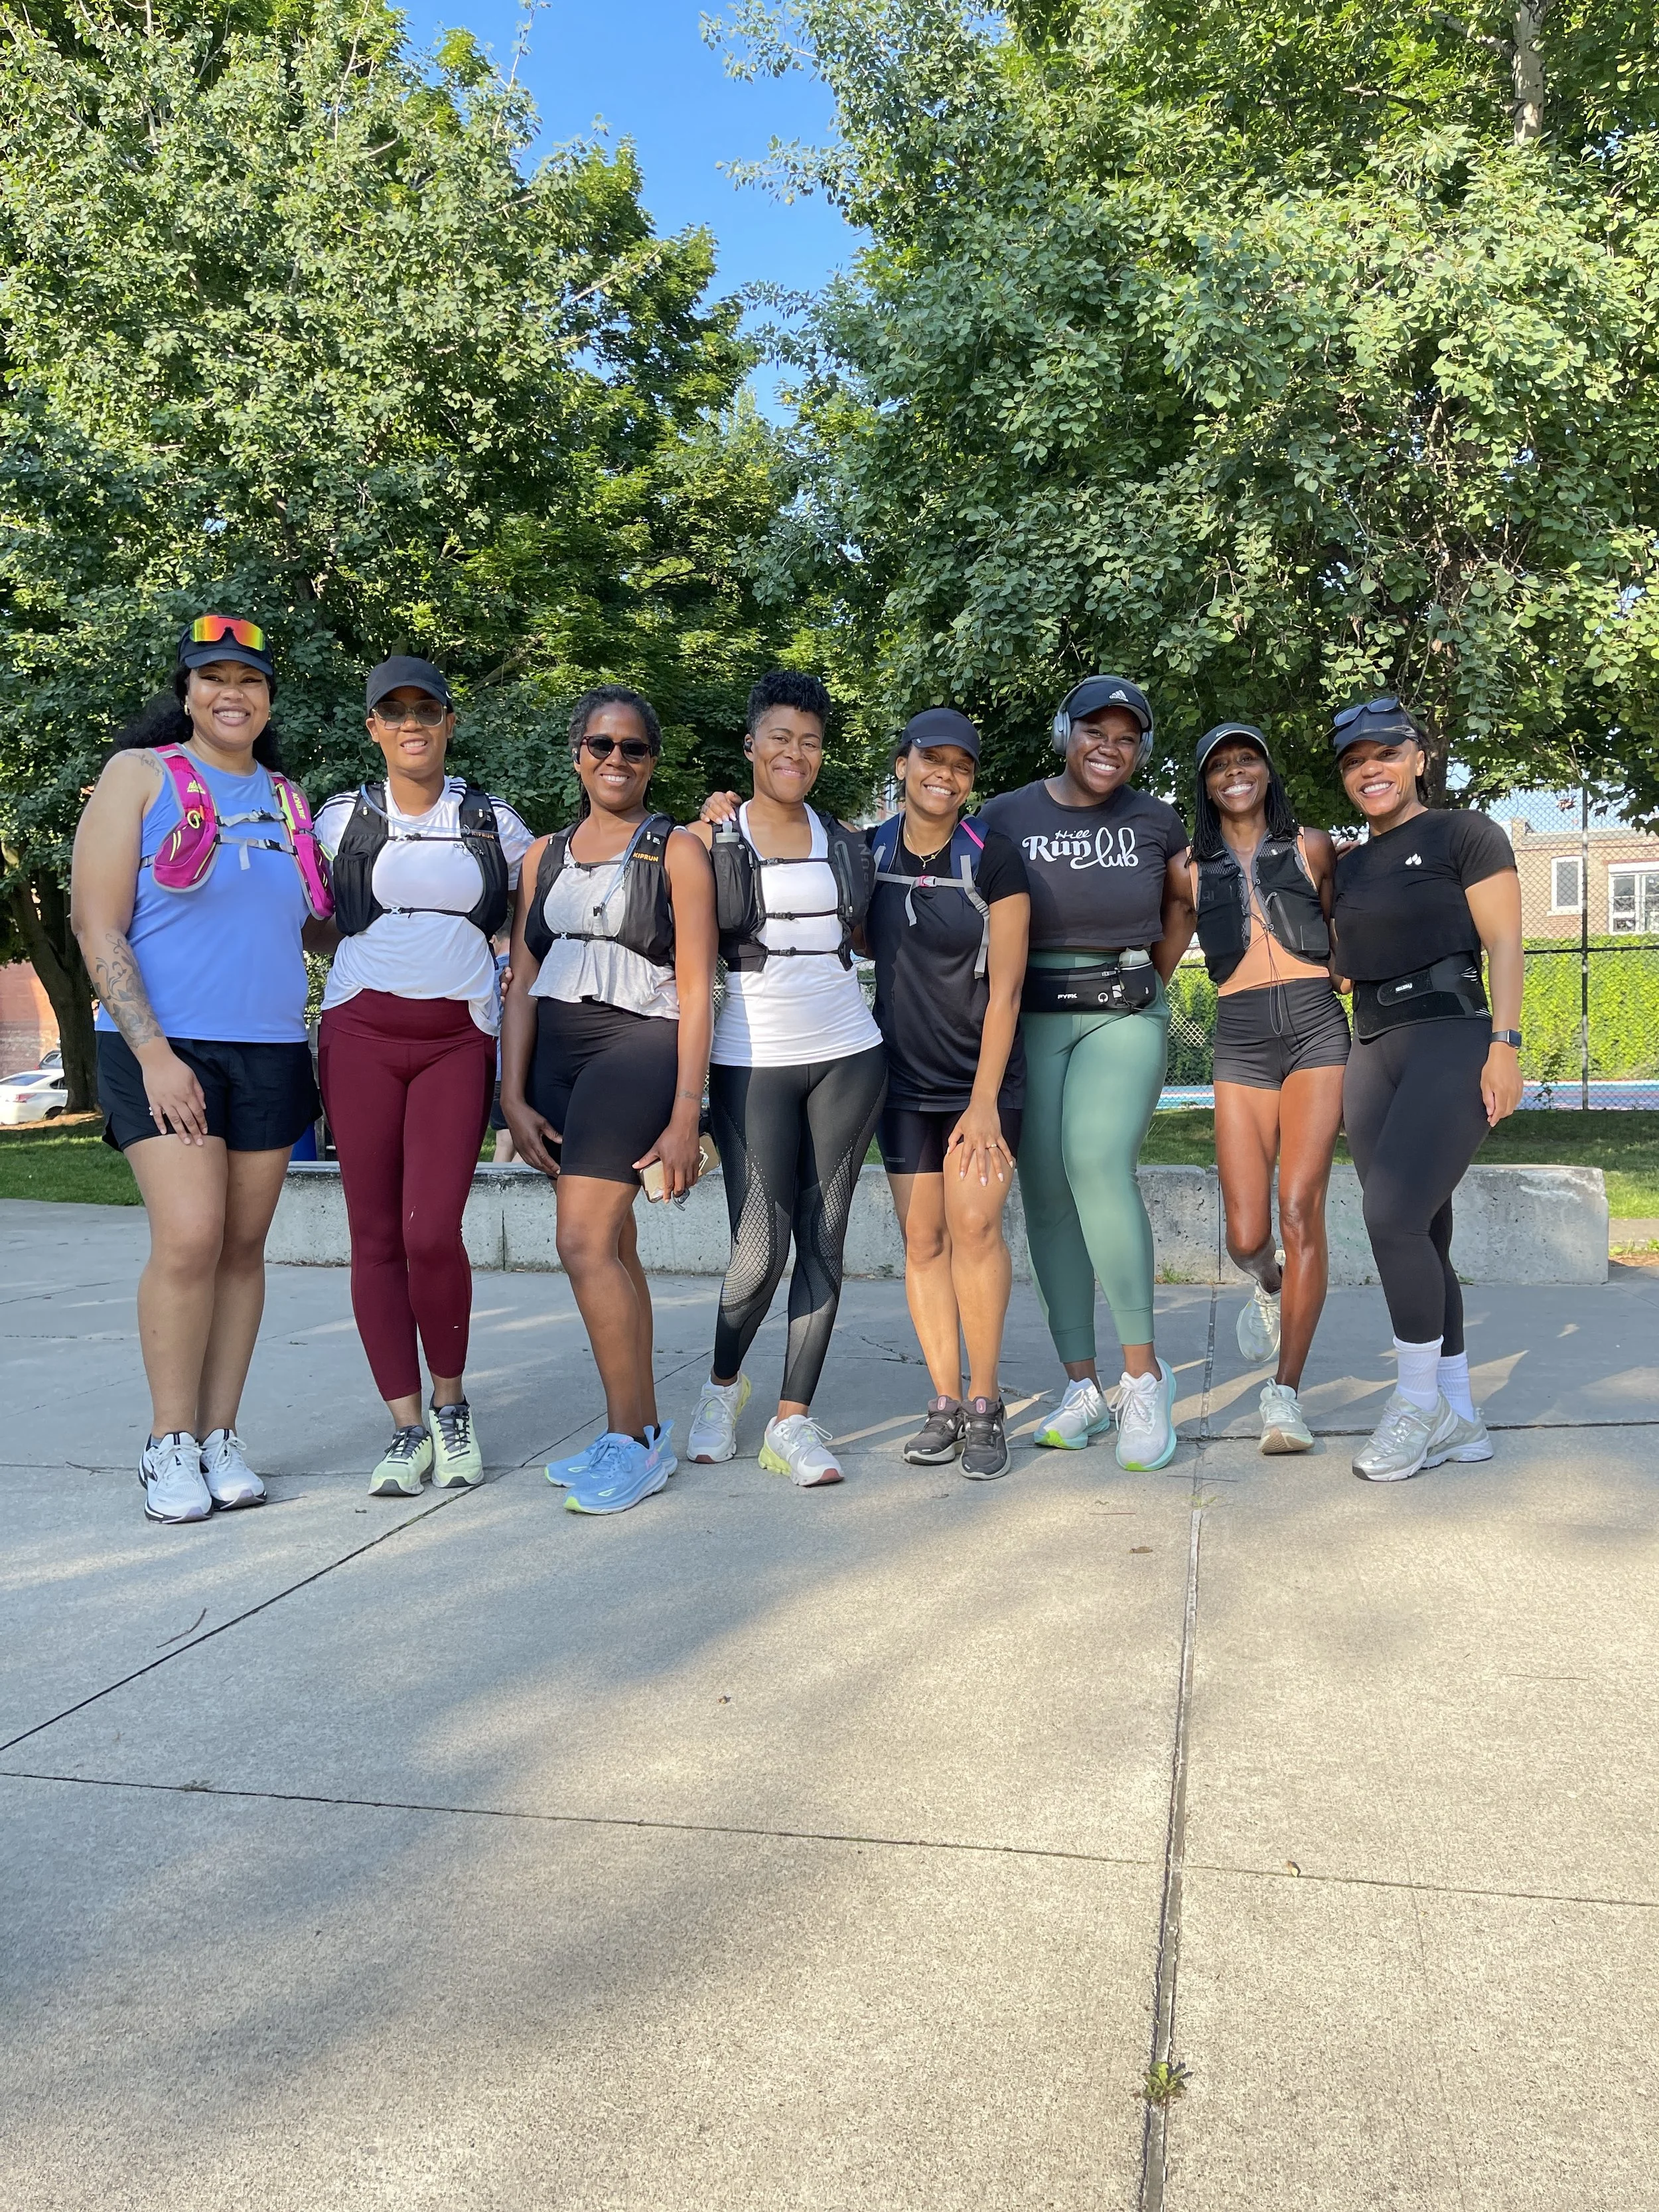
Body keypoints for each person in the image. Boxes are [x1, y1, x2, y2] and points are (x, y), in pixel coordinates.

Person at [70, 615, 329, 1524]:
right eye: (213, 678)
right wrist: (152, 1054)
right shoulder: (138, 776)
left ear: (268, 697)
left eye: (250, 680)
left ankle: (222, 1435)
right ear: (186, 692)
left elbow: (312, 926)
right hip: (164, 1047)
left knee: (242, 1248)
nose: (233, 694)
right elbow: (97, 924)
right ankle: (168, 1441)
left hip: (268, 1046)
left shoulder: (291, 800)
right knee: (189, 1238)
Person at [313, 658, 535, 1497]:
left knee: (431, 1233)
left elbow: (529, 921)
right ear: (372, 726)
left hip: (455, 1040)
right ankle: (406, 1427)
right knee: (373, 1236)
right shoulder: (337, 819)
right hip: (360, 1032)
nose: (412, 724)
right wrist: (375, 956)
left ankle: (451, 1407)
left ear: (448, 722)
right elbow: (310, 918)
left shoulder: (493, 821)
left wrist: (508, 960)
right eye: (393, 712)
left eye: (426, 711)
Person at [500, 686, 716, 1516]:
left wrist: (687, 1109)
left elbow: (699, 988)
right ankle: (639, 1428)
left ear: (651, 761)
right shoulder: (541, 857)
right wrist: (511, 1095)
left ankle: (634, 1441)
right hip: (556, 1055)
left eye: (633, 748)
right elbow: (521, 980)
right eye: (601, 745)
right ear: (577, 754)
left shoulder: (677, 851)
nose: (616, 760)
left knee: (580, 1242)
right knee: (615, 1246)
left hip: (640, 1044)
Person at [977, 675, 1196, 1471]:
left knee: (1096, 1163)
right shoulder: (1005, 815)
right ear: (1064, 732)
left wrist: (1151, 985)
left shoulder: (1154, 819)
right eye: (1095, 732)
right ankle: (1083, 1386)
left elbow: (1184, 904)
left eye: (1127, 737)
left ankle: (1143, 1378)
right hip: (1030, 1012)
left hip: (1119, 1007)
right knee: (1042, 1189)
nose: (1110, 748)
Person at [683, 670, 886, 1487]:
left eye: (808, 740)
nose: (793, 752)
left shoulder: (845, 839)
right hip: (750, 1060)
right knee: (758, 1250)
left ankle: (793, 1423)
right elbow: (691, 969)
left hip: (848, 1052)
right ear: (751, 746)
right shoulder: (708, 841)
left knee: (824, 1240)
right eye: (778, 738)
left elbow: (873, 934)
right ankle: (721, 1388)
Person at [1329, 697, 1524, 1481]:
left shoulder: (1464, 834)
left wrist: (1504, 1047)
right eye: (1351, 761)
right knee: (1424, 1233)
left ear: (1416, 758)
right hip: (1371, 1046)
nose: (1368, 770)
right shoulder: (1347, 864)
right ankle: (1461, 1417)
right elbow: (1345, 964)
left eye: (1382, 754)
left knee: (1390, 1216)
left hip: (1450, 1035)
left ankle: (1415, 1407)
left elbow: (1506, 942)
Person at [867, 709, 1030, 1478]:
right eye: (932, 758)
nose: (947, 774)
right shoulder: (864, 851)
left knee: (975, 1231)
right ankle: (943, 1402)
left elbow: (1005, 993)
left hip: (982, 1084)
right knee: (922, 1241)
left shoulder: (993, 857)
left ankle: (986, 1403)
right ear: (902, 764)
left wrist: (983, 1099)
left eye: (962, 765)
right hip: (899, 1083)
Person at [1189, 722, 1348, 1453]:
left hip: (1317, 1028)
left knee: (1297, 1208)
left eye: (1245, 758)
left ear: (1265, 769)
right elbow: (1156, 951)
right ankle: (1269, 1284)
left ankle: (1283, 1393)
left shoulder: (1313, 845)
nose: (1234, 773)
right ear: (1206, 784)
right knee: (1247, 1234)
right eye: (1219, 766)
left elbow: (1348, 931)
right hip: (1241, 1038)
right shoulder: (1186, 868)